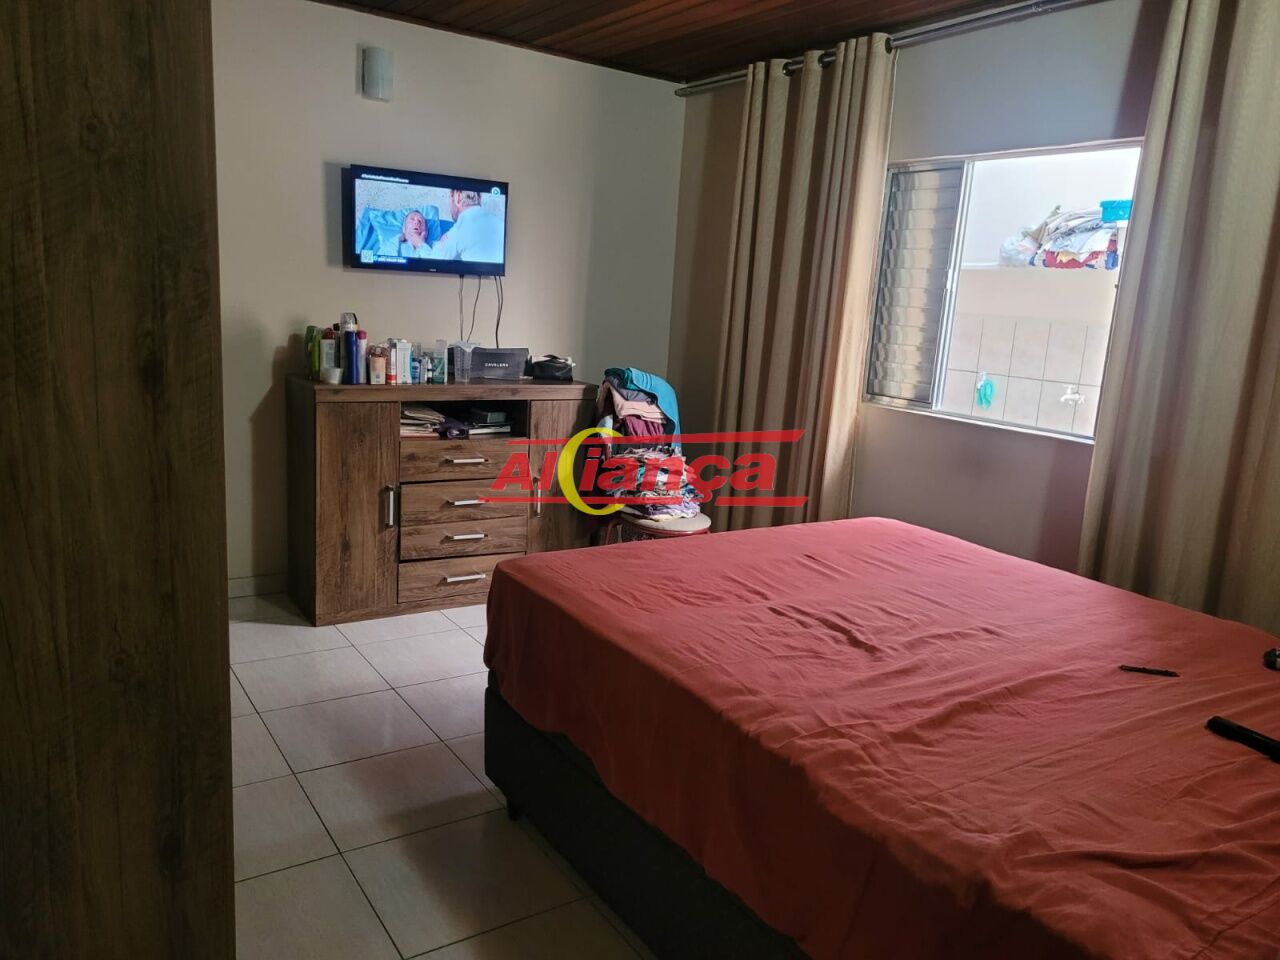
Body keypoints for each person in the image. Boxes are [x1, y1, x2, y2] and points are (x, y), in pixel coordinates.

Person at [427, 189, 503, 263]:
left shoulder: (459, 230)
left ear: (458, 197)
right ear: (479, 198)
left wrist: (421, 243)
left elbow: (432, 262)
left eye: (450, 197)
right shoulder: (500, 223)